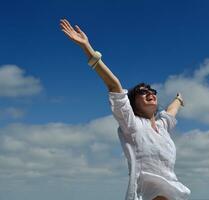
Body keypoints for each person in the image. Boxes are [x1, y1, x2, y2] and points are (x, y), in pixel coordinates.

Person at [60, 19, 191, 200]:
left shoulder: (162, 127)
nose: (149, 93)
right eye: (142, 92)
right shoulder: (132, 124)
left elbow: (171, 111)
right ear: (133, 103)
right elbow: (114, 85)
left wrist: (178, 99)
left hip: (174, 193)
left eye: (152, 91)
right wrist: (87, 48)